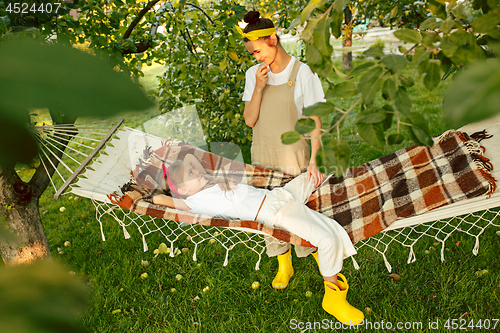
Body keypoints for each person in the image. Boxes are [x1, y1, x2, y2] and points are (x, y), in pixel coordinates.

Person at [152, 154, 364, 325]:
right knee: (326, 240)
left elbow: (189, 157)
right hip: (277, 214)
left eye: (195, 170)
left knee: (318, 173)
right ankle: (333, 298)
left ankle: (359, 192)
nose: (196, 171)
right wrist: (157, 177)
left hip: (279, 195)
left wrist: (184, 169)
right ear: (183, 190)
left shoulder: (208, 180)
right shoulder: (194, 203)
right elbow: (158, 199)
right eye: (191, 173)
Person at [238, 10, 326, 290]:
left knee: (299, 209)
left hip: (293, 156)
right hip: (263, 155)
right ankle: (283, 262)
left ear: (273, 40)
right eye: (252, 54)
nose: (256, 57)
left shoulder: (302, 74)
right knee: (268, 211)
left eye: (258, 50)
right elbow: (250, 120)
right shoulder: (254, 75)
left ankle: (315, 254)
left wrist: (316, 160)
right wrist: (260, 88)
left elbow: (315, 121)